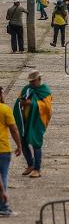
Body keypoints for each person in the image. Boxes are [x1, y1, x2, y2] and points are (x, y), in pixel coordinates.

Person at [13, 70, 52, 178]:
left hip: (37, 121)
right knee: (23, 141)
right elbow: (19, 99)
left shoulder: (45, 91)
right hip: (25, 121)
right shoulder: (27, 88)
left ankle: (37, 169)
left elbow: (47, 108)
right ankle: (30, 164)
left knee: (36, 143)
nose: (31, 83)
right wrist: (21, 101)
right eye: (30, 81)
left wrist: (32, 103)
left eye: (33, 81)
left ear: (39, 80)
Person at [0, 86, 21, 216]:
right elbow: (13, 129)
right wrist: (19, 145)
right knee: (3, 177)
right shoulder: (5, 109)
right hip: (3, 149)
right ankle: (3, 205)